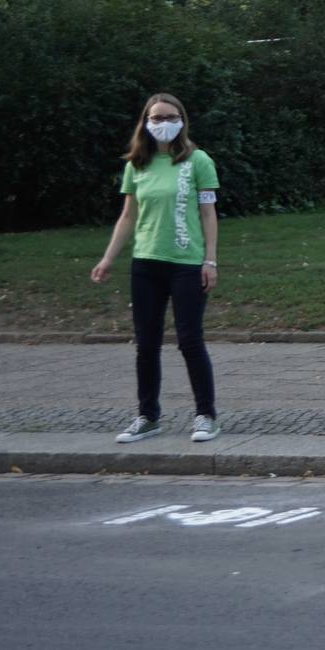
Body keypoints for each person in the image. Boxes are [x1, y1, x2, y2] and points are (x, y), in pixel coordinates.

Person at [90, 93, 222, 445]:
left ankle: (206, 415)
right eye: (157, 118)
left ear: (182, 120)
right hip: (146, 263)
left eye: (170, 117)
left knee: (189, 340)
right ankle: (147, 416)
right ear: (146, 122)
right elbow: (128, 216)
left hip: (187, 264)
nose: (164, 123)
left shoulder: (197, 161)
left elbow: (208, 214)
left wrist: (210, 260)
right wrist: (108, 258)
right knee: (146, 344)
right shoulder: (137, 165)